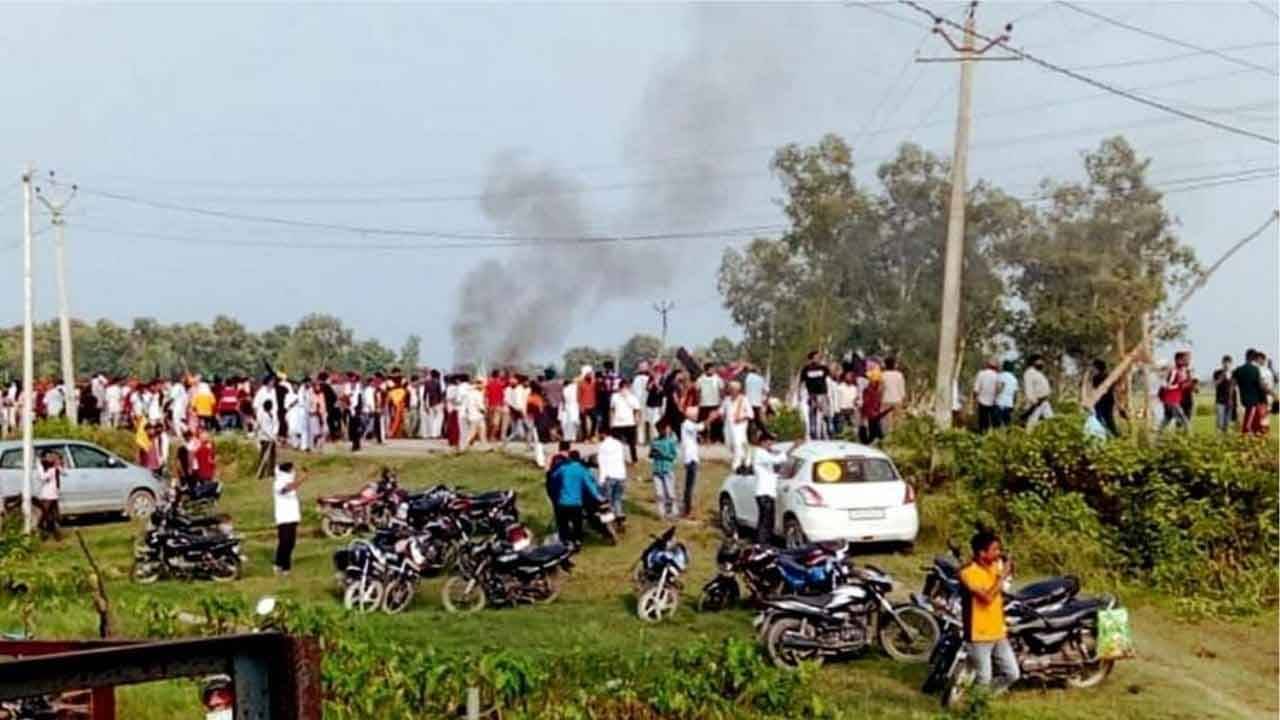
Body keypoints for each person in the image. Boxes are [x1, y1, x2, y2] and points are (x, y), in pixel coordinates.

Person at [959, 530, 1020, 694]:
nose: (998, 553)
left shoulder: (994, 566)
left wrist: (1009, 569)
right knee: (984, 678)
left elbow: (1005, 584)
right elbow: (986, 598)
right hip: (978, 635)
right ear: (982, 553)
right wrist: (1002, 576)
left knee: (1012, 674)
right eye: (994, 550)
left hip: (997, 632)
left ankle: (984, 698)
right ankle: (976, 704)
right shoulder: (968, 572)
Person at [551, 450, 604, 546]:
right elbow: (590, 486)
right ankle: (577, 542)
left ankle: (565, 543)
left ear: (569, 458)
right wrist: (598, 497)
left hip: (563, 502)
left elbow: (554, 477)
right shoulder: (582, 470)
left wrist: (558, 489)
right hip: (576, 504)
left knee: (563, 525)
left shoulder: (563, 468)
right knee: (577, 525)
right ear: (579, 459)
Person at [751, 434, 786, 544]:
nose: (770, 444)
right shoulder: (760, 453)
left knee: (768, 521)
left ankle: (764, 543)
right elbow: (777, 460)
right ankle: (762, 544)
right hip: (764, 493)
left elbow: (772, 471)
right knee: (765, 522)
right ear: (762, 442)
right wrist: (792, 449)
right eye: (768, 442)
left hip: (768, 493)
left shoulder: (765, 454)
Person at [272, 462, 304, 577]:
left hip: (292, 516)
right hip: (283, 517)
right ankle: (279, 564)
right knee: (284, 542)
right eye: (292, 469)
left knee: (291, 542)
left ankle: (286, 566)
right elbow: (286, 489)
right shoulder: (278, 483)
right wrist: (302, 479)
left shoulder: (289, 481)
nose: (294, 472)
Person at [679, 406, 706, 519]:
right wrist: (710, 419)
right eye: (695, 414)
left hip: (692, 458)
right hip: (691, 459)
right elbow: (700, 427)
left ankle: (687, 508)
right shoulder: (687, 424)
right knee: (690, 486)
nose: (697, 416)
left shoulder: (688, 425)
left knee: (690, 486)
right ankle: (687, 510)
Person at [1234, 349, 1268, 435]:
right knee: (1250, 424)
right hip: (1254, 401)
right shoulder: (1255, 370)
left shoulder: (1238, 369)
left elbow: (1232, 385)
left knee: (1249, 421)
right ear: (1253, 358)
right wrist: (1269, 392)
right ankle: (1247, 436)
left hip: (1242, 399)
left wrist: (1231, 399)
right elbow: (1260, 385)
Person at [650, 421, 680, 519]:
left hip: (667, 469)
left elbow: (674, 456)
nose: (665, 431)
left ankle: (672, 511)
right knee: (659, 493)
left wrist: (663, 454)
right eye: (662, 429)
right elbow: (651, 454)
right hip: (657, 470)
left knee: (670, 492)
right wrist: (653, 453)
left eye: (666, 428)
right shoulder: (654, 441)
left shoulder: (671, 441)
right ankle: (661, 513)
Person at [597, 430, 628, 522]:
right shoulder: (619, 444)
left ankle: (609, 522)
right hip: (621, 476)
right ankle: (619, 517)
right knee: (617, 499)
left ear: (603, 434)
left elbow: (602, 463)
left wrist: (601, 480)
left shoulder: (603, 446)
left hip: (609, 476)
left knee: (607, 501)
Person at [798, 352, 829, 440]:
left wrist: (827, 396)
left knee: (822, 414)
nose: (818, 359)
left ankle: (822, 433)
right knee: (812, 413)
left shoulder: (823, 368)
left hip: (822, 394)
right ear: (811, 358)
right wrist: (799, 393)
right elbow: (801, 382)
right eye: (816, 357)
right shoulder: (806, 369)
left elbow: (828, 380)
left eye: (819, 357)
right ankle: (813, 432)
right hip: (811, 394)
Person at [1158, 352, 1192, 432]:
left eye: (1187, 359)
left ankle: (1158, 435)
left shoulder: (1182, 371)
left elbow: (1181, 385)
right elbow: (1168, 385)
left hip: (1174, 399)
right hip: (1171, 400)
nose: (1186, 361)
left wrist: (1186, 383)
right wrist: (1179, 385)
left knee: (1167, 418)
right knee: (1184, 420)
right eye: (1184, 359)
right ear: (1177, 360)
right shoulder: (1174, 371)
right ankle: (1190, 436)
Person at [725, 381, 753, 473]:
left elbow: (751, 414)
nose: (731, 391)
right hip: (728, 425)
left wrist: (741, 418)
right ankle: (746, 456)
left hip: (740, 425)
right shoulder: (727, 399)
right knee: (730, 444)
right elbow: (721, 410)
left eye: (733, 389)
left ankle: (737, 463)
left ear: (738, 390)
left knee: (737, 443)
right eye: (730, 389)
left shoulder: (744, 399)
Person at [610, 381, 641, 463]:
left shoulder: (633, 398)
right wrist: (611, 421)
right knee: (616, 444)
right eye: (622, 387)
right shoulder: (614, 397)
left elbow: (637, 410)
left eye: (626, 387)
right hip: (617, 424)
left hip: (630, 423)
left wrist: (637, 420)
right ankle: (616, 459)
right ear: (619, 388)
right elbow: (612, 409)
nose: (624, 389)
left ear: (628, 388)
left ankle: (634, 460)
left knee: (632, 444)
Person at [1090, 359, 1121, 437]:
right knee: (1109, 420)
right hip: (1109, 401)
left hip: (1100, 402)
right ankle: (1115, 435)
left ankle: (1109, 435)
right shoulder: (1109, 376)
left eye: (1093, 367)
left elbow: (1095, 390)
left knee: (1099, 420)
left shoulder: (1096, 378)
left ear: (1097, 367)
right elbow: (1114, 390)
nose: (1092, 369)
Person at [36, 450, 63, 541]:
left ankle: (53, 533)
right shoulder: (43, 466)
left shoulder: (53, 466)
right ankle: (43, 530)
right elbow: (43, 477)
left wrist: (58, 464)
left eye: (51, 456)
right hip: (47, 494)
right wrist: (51, 469)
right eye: (48, 457)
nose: (50, 458)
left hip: (54, 494)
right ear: (43, 458)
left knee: (54, 515)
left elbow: (63, 472)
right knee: (45, 514)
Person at [1021, 356, 1053, 429]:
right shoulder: (1029, 373)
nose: (1042, 363)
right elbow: (1029, 388)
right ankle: (1028, 434)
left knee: (1051, 420)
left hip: (1044, 400)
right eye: (1040, 361)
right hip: (1037, 401)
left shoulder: (1038, 373)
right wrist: (1033, 400)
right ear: (1034, 362)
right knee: (1032, 422)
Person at [696, 363, 725, 443]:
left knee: (716, 421)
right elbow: (698, 391)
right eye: (711, 369)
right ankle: (703, 437)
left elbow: (721, 390)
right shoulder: (700, 379)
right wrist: (698, 402)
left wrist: (721, 401)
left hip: (715, 403)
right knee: (703, 421)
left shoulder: (718, 379)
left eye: (713, 369)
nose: (712, 370)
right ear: (706, 370)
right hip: (704, 404)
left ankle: (715, 438)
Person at [880, 357, 906, 435]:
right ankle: (897, 436)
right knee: (897, 420)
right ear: (894, 365)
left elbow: (881, 389)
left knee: (887, 421)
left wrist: (880, 400)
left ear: (885, 365)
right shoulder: (899, 375)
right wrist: (903, 399)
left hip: (886, 400)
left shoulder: (883, 375)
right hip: (897, 400)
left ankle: (888, 435)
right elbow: (901, 389)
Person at [973, 360, 1000, 433]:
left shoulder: (981, 373)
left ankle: (981, 433)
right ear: (995, 367)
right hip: (992, 402)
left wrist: (974, 399)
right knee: (989, 421)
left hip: (981, 400)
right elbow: (997, 390)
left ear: (987, 365)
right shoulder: (997, 376)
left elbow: (976, 389)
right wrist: (995, 399)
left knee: (981, 420)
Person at [743, 364, 768, 442]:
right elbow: (766, 390)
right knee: (757, 420)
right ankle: (765, 435)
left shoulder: (746, 378)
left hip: (747, 402)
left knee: (749, 421)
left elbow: (743, 390)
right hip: (757, 402)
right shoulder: (760, 379)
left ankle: (750, 438)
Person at [254, 399, 278, 479]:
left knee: (272, 456)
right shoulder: (261, 415)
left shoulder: (271, 414)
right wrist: (270, 436)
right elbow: (262, 427)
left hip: (272, 438)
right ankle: (261, 473)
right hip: (265, 438)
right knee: (263, 456)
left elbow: (275, 424)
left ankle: (271, 473)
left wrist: (274, 435)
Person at [1213, 355, 1235, 433]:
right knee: (1219, 422)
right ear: (1222, 363)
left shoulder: (1233, 373)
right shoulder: (1217, 373)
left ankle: (1225, 436)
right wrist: (1221, 377)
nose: (1226, 365)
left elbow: (1235, 387)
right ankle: (1219, 436)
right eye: (1225, 363)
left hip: (1230, 401)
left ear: (1231, 364)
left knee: (1227, 423)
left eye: (1228, 363)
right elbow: (1215, 384)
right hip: (1220, 401)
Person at [995, 361, 1018, 428]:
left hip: (999, 402)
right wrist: (1014, 404)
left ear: (1003, 367)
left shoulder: (999, 376)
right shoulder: (1014, 379)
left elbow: (998, 389)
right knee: (1007, 424)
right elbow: (1015, 394)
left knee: (996, 424)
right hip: (1009, 403)